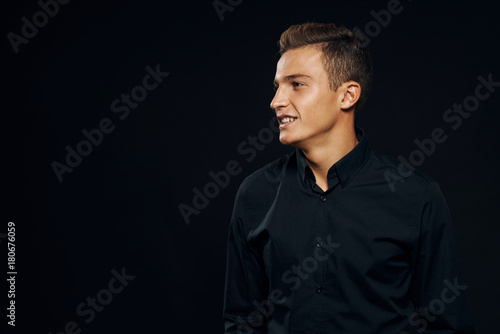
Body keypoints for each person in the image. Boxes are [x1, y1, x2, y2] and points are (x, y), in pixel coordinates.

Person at [222, 22, 475, 334]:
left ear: (347, 95)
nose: (276, 101)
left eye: (296, 84)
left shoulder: (416, 195)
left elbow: (447, 327)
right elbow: (242, 322)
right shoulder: (255, 195)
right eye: (277, 86)